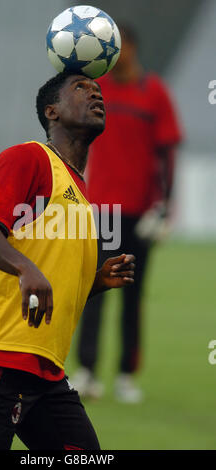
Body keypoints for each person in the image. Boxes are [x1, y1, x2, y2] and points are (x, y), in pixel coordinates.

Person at [0, 71, 135, 450]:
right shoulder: (29, 158)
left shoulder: (77, 190)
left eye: (98, 91)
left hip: (43, 369)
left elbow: (50, 283)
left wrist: (95, 282)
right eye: (81, 89)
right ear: (52, 111)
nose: (96, 96)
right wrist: (25, 268)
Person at [72, 25, 182, 403]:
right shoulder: (94, 89)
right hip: (102, 208)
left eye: (120, 48)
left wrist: (164, 206)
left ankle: (125, 375)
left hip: (139, 211)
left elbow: (167, 153)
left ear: (132, 48)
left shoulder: (154, 94)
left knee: (132, 296)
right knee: (94, 289)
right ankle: (86, 370)